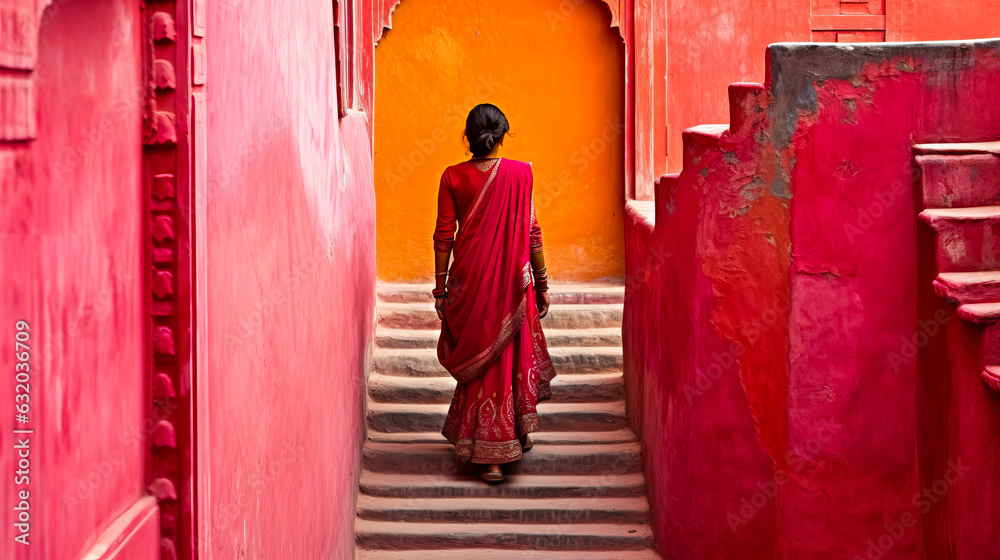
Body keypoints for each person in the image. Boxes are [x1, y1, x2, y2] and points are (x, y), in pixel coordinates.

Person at [432, 103, 555, 483]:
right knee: (506, 355)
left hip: (469, 284)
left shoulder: (453, 177)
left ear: (468, 138)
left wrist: (440, 288)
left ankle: (495, 450)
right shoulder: (521, 175)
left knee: (483, 355)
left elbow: (443, 236)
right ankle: (507, 441)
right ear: (503, 136)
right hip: (510, 282)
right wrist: (543, 282)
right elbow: (532, 232)